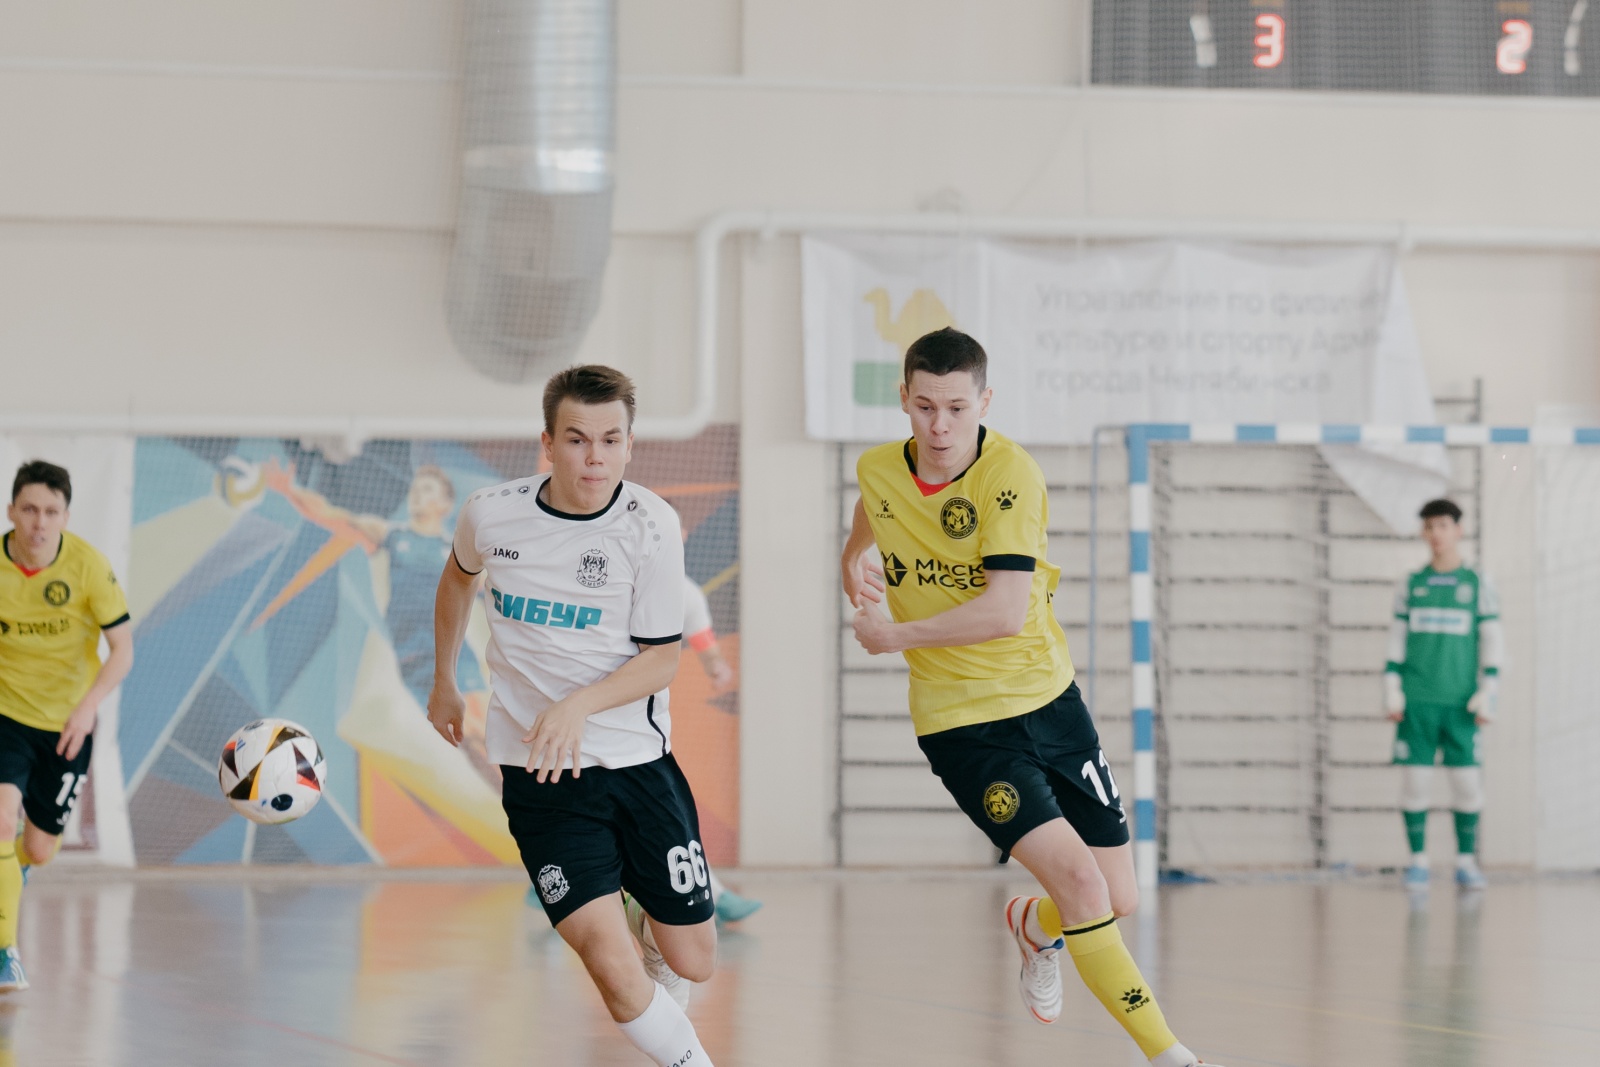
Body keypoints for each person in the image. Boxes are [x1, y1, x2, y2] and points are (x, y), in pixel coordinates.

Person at [842, 329, 1221, 1067]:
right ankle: (1169, 1053)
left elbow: (1003, 612)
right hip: (962, 723)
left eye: (957, 408)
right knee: (1080, 881)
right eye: (925, 407)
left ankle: (1034, 924)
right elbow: (868, 520)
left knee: (1117, 895)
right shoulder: (878, 468)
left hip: (1048, 698)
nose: (940, 425)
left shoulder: (1010, 474)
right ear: (904, 399)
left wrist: (894, 636)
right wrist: (852, 562)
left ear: (985, 401)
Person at [428, 365, 718, 1067]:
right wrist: (443, 679)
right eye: (578, 439)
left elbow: (661, 659)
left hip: (638, 765)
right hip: (541, 773)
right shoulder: (491, 514)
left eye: (611, 440)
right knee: (610, 966)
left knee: (695, 959)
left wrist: (577, 705)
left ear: (629, 444)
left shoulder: (651, 525)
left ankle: (646, 919)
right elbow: (457, 580)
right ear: (548, 443)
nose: (595, 458)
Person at [0, 461, 134, 993]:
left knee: (37, 850)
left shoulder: (87, 566)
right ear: (11, 511)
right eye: (30, 509)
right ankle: (5, 953)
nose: (40, 522)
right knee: (1, 817)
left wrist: (88, 706)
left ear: (66, 517)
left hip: (66, 726)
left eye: (52, 512)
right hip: (6, 715)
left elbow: (122, 649)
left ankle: (15, 866)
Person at [1384, 498, 1502, 890]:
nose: (1436, 534)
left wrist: (1490, 689)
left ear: (1458, 530)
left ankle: (1466, 862)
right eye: (1430, 526)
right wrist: (1391, 686)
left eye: (1443, 526)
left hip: (1460, 703)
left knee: (1467, 785)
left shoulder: (1477, 583)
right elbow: (1396, 639)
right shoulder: (1410, 584)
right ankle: (1418, 862)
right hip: (1417, 701)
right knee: (1415, 783)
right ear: (1423, 532)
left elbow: (1492, 638)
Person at [681, 575, 762, 924]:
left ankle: (714, 895)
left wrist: (717, 667)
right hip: (588, 718)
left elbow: (705, 644)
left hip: (641, 727)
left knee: (671, 813)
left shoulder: (685, 592)